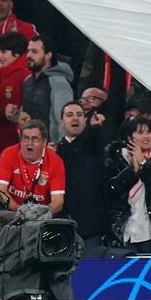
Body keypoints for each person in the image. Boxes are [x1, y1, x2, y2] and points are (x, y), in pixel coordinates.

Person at [104, 116, 151, 253]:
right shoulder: (117, 157)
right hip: (125, 231)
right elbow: (112, 190)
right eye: (140, 132)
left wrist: (144, 164)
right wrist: (132, 170)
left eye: (148, 132)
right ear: (129, 137)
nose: (146, 136)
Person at [57, 100, 110, 254]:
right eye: (70, 115)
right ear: (61, 122)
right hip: (64, 228)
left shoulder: (93, 144)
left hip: (91, 230)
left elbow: (92, 138)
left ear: (85, 120)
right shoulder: (55, 153)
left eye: (79, 114)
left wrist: (94, 128)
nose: (75, 118)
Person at [0, 119, 65, 214]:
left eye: (35, 139)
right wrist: (19, 210)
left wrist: (40, 215)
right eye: (26, 138)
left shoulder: (55, 161)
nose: (29, 143)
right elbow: (0, 190)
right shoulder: (8, 154)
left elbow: (58, 202)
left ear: (44, 142)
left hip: (42, 216)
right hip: (12, 212)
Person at [21, 35, 74, 142]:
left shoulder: (58, 83)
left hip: (50, 146)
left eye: (34, 52)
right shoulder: (28, 81)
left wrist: (60, 146)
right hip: (29, 145)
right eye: (28, 51)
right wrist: (15, 116)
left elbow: (65, 120)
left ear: (48, 55)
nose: (28, 55)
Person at [0, 33, 29, 152]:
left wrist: (1, 114)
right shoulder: (4, 74)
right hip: (3, 135)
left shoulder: (24, 74)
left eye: (3, 52)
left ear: (17, 53)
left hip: (16, 137)